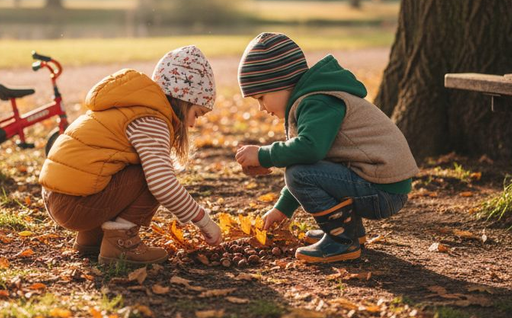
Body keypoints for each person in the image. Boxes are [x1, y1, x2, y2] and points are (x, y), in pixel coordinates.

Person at [234, 33, 418, 263]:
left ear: (283, 83)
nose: (261, 107)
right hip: (379, 184)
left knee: (297, 173)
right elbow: (312, 161)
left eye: (261, 97)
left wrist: (264, 155)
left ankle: (342, 241)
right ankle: (351, 232)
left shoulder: (317, 102)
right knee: (303, 170)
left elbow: (310, 152)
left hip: (383, 191)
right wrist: (282, 209)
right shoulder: (311, 100)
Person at [41, 45, 223, 266]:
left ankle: (93, 237)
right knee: (153, 174)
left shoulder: (128, 107)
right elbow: (162, 183)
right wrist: (203, 220)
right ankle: (121, 244)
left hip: (57, 198)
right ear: (183, 99)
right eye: (196, 113)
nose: (193, 124)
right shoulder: (152, 119)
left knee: (126, 167)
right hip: (75, 205)